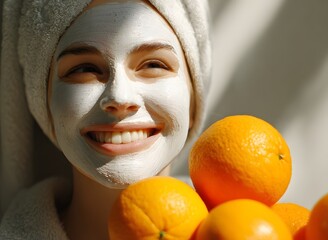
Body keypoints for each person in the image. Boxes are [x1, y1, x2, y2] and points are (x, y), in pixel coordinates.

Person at [0, 0, 211, 239]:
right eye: (83, 70)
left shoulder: (250, 225)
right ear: (44, 104)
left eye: (154, 64)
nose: (119, 97)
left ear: (194, 99)